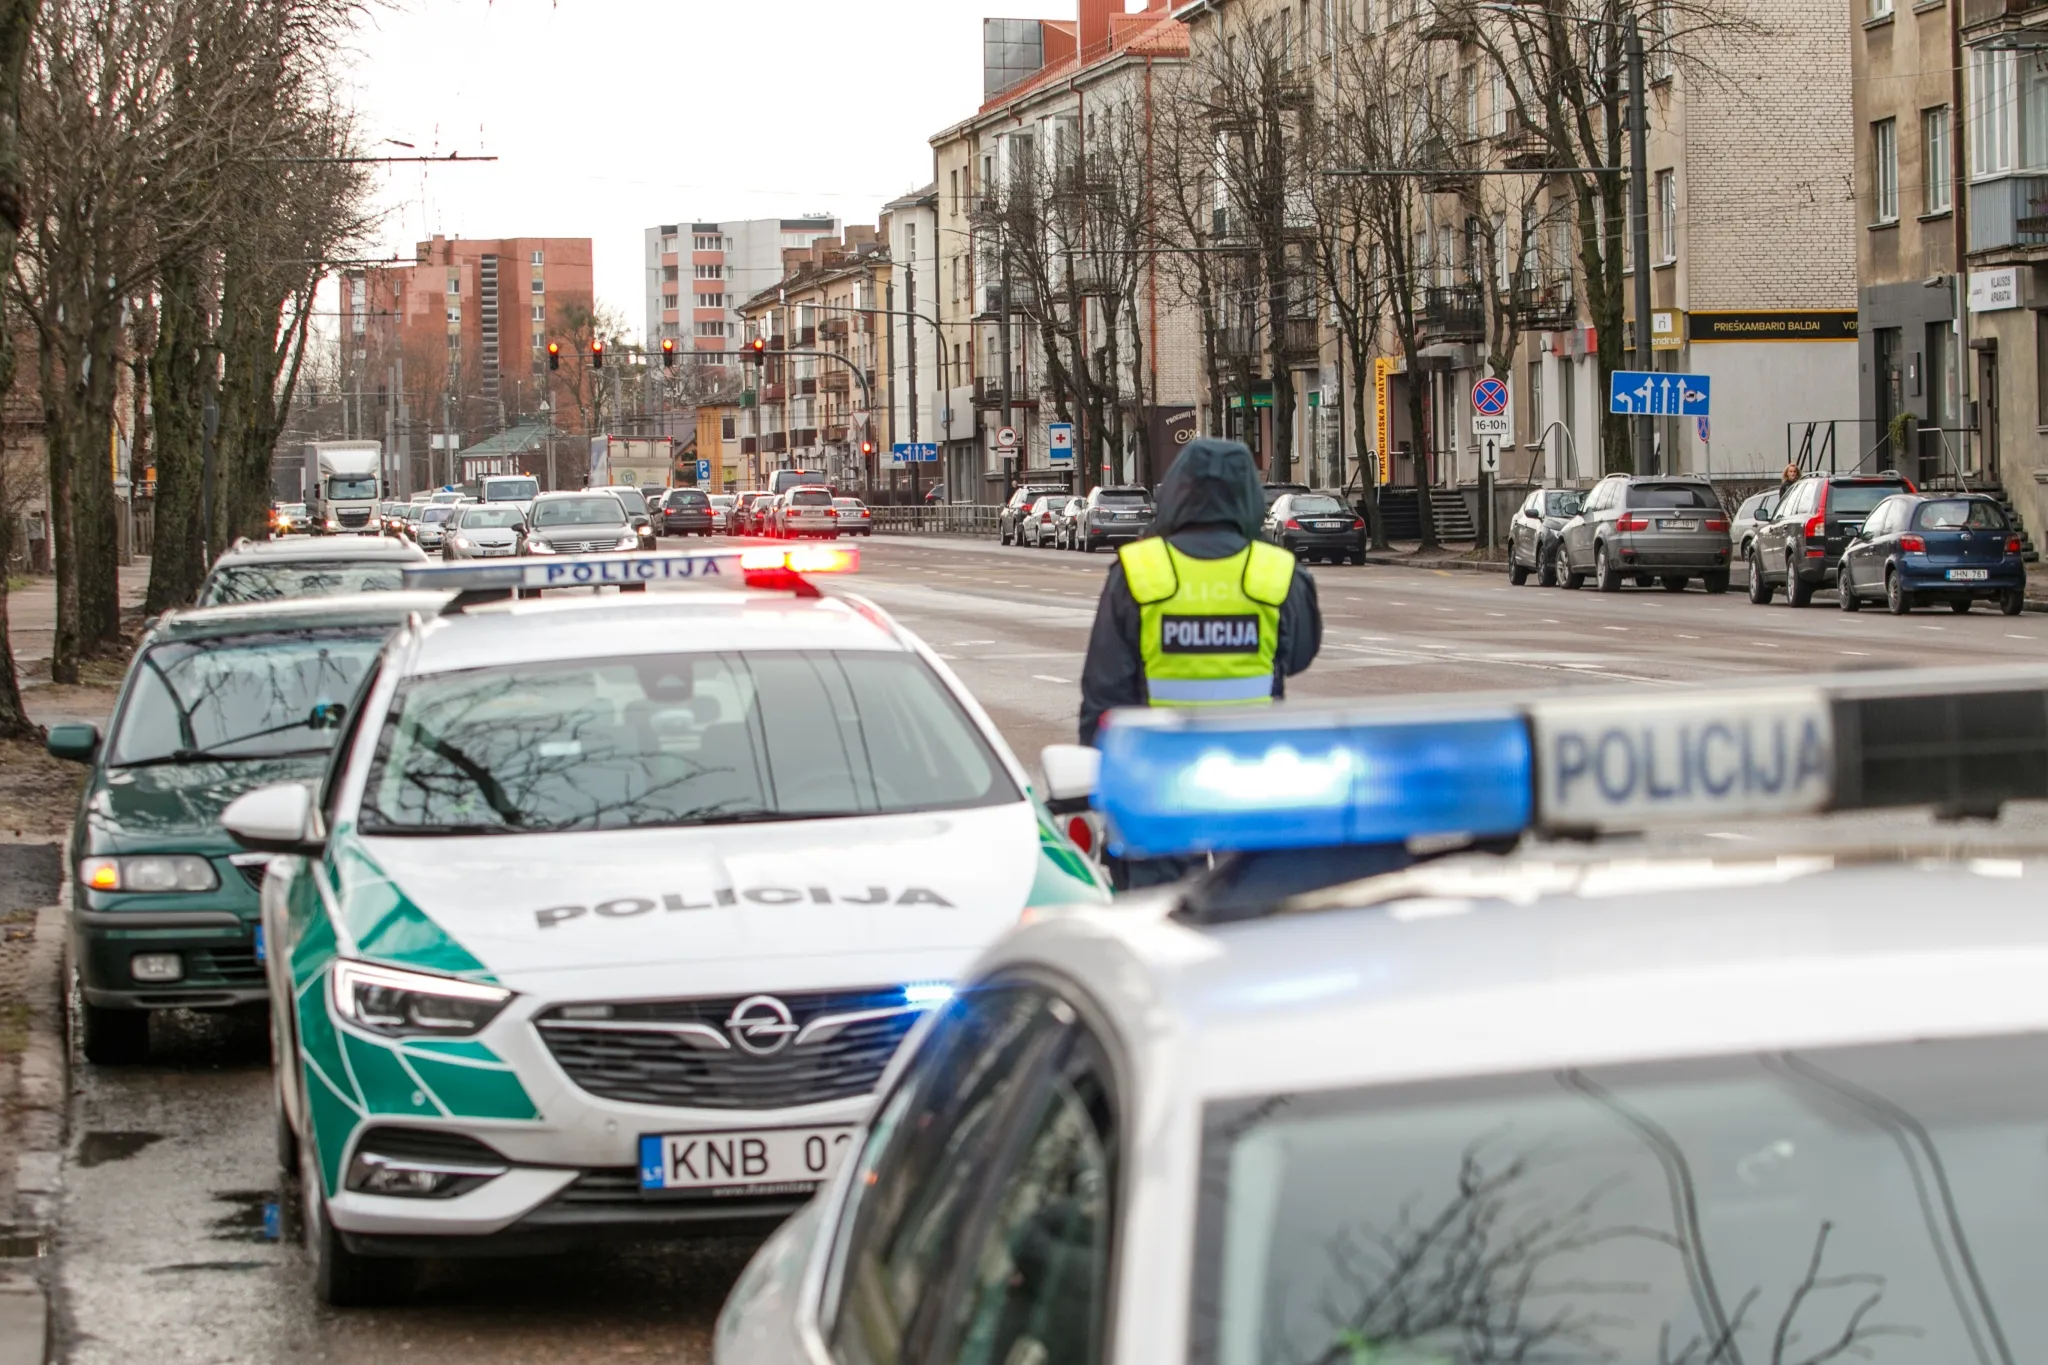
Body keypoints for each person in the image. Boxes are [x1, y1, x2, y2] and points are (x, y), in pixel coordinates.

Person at [1079, 438, 1322, 746]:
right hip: (1253, 761)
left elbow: (1104, 688)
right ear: (1249, 495)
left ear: (1176, 492)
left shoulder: (1138, 568)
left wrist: (1094, 771)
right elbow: (1299, 656)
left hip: (1157, 764)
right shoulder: (1278, 569)